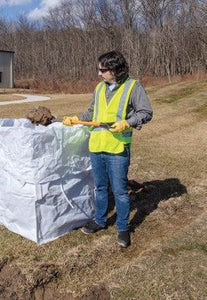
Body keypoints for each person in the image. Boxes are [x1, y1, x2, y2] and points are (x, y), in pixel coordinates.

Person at [63, 50, 153, 248]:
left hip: (117, 148)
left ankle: (123, 227)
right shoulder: (99, 88)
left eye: (102, 70)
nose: (99, 73)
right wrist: (76, 119)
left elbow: (146, 112)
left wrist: (127, 123)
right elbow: (91, 112)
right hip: (97, 146)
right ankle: (100, 221)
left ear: (115, 70)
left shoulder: (133, 87)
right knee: (100, 187)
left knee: (120, 191)